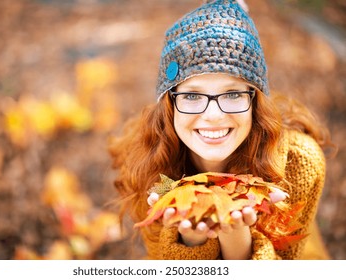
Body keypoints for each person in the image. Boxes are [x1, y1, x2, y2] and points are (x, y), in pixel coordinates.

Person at [108, 0, 335, 260]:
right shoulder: (151, 167)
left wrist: (237, 238)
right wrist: (190, 241)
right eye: (192, 96)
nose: (213, 116)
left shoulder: (296, 162)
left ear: (255, 100)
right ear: (169, 103)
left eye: (233, 94)